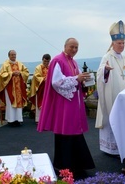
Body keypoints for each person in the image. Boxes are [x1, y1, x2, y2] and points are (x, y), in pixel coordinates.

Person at [37, 38, 95, 180]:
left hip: (74, 104)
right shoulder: (58, 60)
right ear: (65, 46)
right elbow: (57, 82)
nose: (74, 50)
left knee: (75, 132)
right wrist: (77, 79)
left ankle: (77, 165)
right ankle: (64, 167)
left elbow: (77, 78)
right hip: (64, 105)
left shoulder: (74, 62)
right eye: (72, 47)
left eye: (76, 47)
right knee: (66, 133)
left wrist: (85, 79)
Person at [95, 20, 125, 155]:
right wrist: (106, 71)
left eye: (123, 43)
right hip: (112, 95)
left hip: (124, 96)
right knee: (112, 119)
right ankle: (110, 148)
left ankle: (122, 147)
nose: (122, 45)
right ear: (113, 43)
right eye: (119, 43)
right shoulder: (107, 56)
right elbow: (100, 73)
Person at [0, 50, 29, 127]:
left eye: (14, 54)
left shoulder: (19, 63)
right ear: (9, 55)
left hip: (18, 87)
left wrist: (20, 73)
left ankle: (18, 120)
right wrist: (12, 74)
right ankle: (11, 120)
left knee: (19, 104)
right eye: (12, 55)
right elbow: (2, 74)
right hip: (10, 88)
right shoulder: (5, 64)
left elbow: (26, 72)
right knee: (10, 104)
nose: (14, 56)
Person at [28, 53, 51, 123]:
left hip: (49, 89)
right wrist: (44, 79)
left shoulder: (51, 67)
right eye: (45, 61)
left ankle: (48, 119)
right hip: (40, 88)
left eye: (48, 61)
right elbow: (36, 76)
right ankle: (39, 119)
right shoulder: (38, 67)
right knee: (40, 103)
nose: (46, 63)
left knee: (49, 103)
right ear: (42, 60)